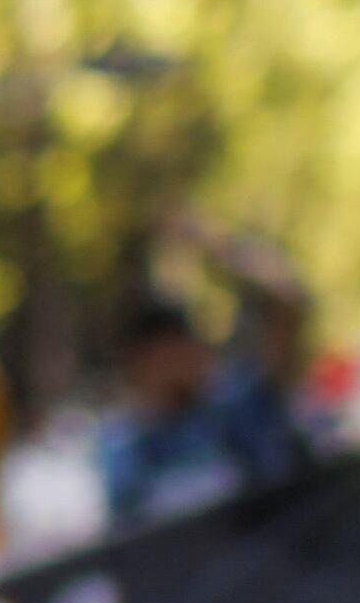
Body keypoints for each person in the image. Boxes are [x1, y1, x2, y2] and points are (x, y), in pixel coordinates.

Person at [93, 220, 311, 529]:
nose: (186, 363)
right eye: (167, 358)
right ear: (139, 366)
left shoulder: (240, 407)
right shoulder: (123, 450)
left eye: (186, 349)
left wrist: (218, 247)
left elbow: (289, 303)